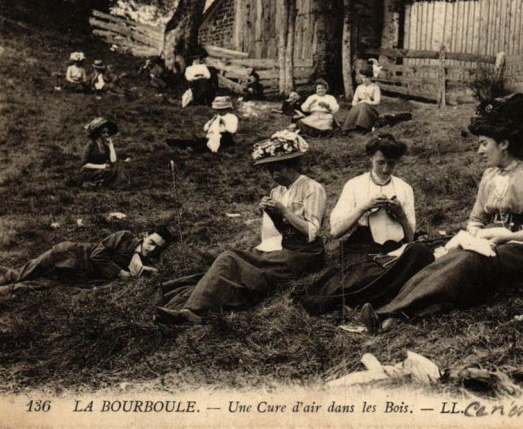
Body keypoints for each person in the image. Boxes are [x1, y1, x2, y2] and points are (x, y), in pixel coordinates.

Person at [359, 94, 523, 333]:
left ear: (503, 143)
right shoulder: (489, 176)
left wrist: (505, 235)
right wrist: (474, 234)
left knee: (468, 260)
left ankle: (389, 313)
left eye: (484, 143)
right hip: (489, 239)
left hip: (522, 249)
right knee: (446, 255)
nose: (479, 151)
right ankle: (397, 312)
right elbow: (476, 218)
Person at [156, 133, 326, 324]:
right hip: (284, 247)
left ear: (293, 165)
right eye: (270, 171)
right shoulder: (277, 191)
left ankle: (194, 311)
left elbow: (312, 232)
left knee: (231, 261)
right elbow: (281, 230)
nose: (274, 175)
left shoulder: (312, 187)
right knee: (227, 263)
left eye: (278, 169)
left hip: (305, 254)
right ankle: (181, 306)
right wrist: (272, 213)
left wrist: (283, 211)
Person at [294, 134, 434, 316]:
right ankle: (382, 300)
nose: (385, 169)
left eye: (391, 163)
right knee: (370, 274)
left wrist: (400, 214)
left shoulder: (404, 188)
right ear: (371, 158)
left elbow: (409, 237)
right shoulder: (354, 185)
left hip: (394, 248)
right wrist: (363, 207)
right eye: (380, 162)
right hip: (362, 247)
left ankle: (362, 300)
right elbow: (336, 231)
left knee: (419, 253)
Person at [0, 226, 172, 293]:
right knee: (26, 271)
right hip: (69, 253)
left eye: (158, 248)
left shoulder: (147, 262)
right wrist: (120, 273)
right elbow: (97, 255)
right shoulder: (124, 237)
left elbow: (160, 268)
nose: (152, 249)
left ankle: (0, 293)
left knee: (42, 284)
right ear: (145, 236)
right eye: (151, 243)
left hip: (78, 275)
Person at [166, 96, 239, 153]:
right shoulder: (216, 117)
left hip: (225, 138)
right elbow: (205, 128)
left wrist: (224, 123)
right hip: (213, 136)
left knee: (207, 145)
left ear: (227, 109)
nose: (220, 111)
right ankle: (172, 142)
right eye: (219, 110)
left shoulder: (232, 117)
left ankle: (193, 151)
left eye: (222, 109)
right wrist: (211, 122)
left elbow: (232, 130)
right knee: (198, 142)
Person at [76, 117, 128, 188]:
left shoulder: (106, 146)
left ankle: (99, 184)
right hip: (89, 171)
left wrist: (111, 145)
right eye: (103, 132)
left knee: (118, 167)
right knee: (106, 171)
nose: (106, 135)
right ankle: (93, 183)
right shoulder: (90, 145)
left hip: (101, 170)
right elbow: (84, 164)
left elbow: (113, 161)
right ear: (98, 134)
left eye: (108, 132)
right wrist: (102, 166)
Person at [342, 69, 381, 134]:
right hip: (359, 106)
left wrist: (369, 102)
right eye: (362, 77)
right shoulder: (359, 87)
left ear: (371, 78)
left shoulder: (375, 87)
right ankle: (347, 128)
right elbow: (354, 101)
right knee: (356, 108)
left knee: (363, 106)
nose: (364, 80)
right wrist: (358, 103)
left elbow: (377, 101)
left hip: (371, 109)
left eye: (366, 78)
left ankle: (363, 127)